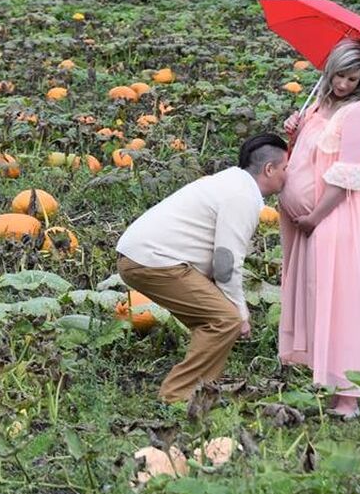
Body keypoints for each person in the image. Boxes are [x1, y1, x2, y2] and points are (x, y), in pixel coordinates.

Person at [116, 134, 289, 403]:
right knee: (225, 320)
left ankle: (202, 391)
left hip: (145, 256)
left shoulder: (232, 181)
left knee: (214, 319)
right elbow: (225, 260)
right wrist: (241, 311)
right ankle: (176, 397)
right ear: (269, 169)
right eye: (285, 168)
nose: (288, 175)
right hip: (154, 260)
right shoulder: (242, 196)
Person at [278, 39, 360, 419]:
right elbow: (303, 155)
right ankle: (325, 378)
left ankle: (348, 397)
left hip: (339, 212)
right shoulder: (318, 104)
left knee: (342, 295)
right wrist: (296, 127)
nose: (342, 84)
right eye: (338, 75)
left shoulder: (358, 112)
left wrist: (316, 216)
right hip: (310, 217)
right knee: (318, 291)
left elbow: (346, 176)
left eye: (351, 78)